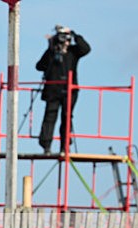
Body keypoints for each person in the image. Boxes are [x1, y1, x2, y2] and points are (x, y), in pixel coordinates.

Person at [36, 25, 91, 155]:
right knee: (50, 117)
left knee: (67, 118)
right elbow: (40, 66)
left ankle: (65, 146)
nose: (63, 41)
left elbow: (86, 49)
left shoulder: (73, 52)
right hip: (52, 90)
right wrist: (51, 48)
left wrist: (74, 34)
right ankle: (46, 145)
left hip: (70, 91)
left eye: (65, 38)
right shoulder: (51, 52)